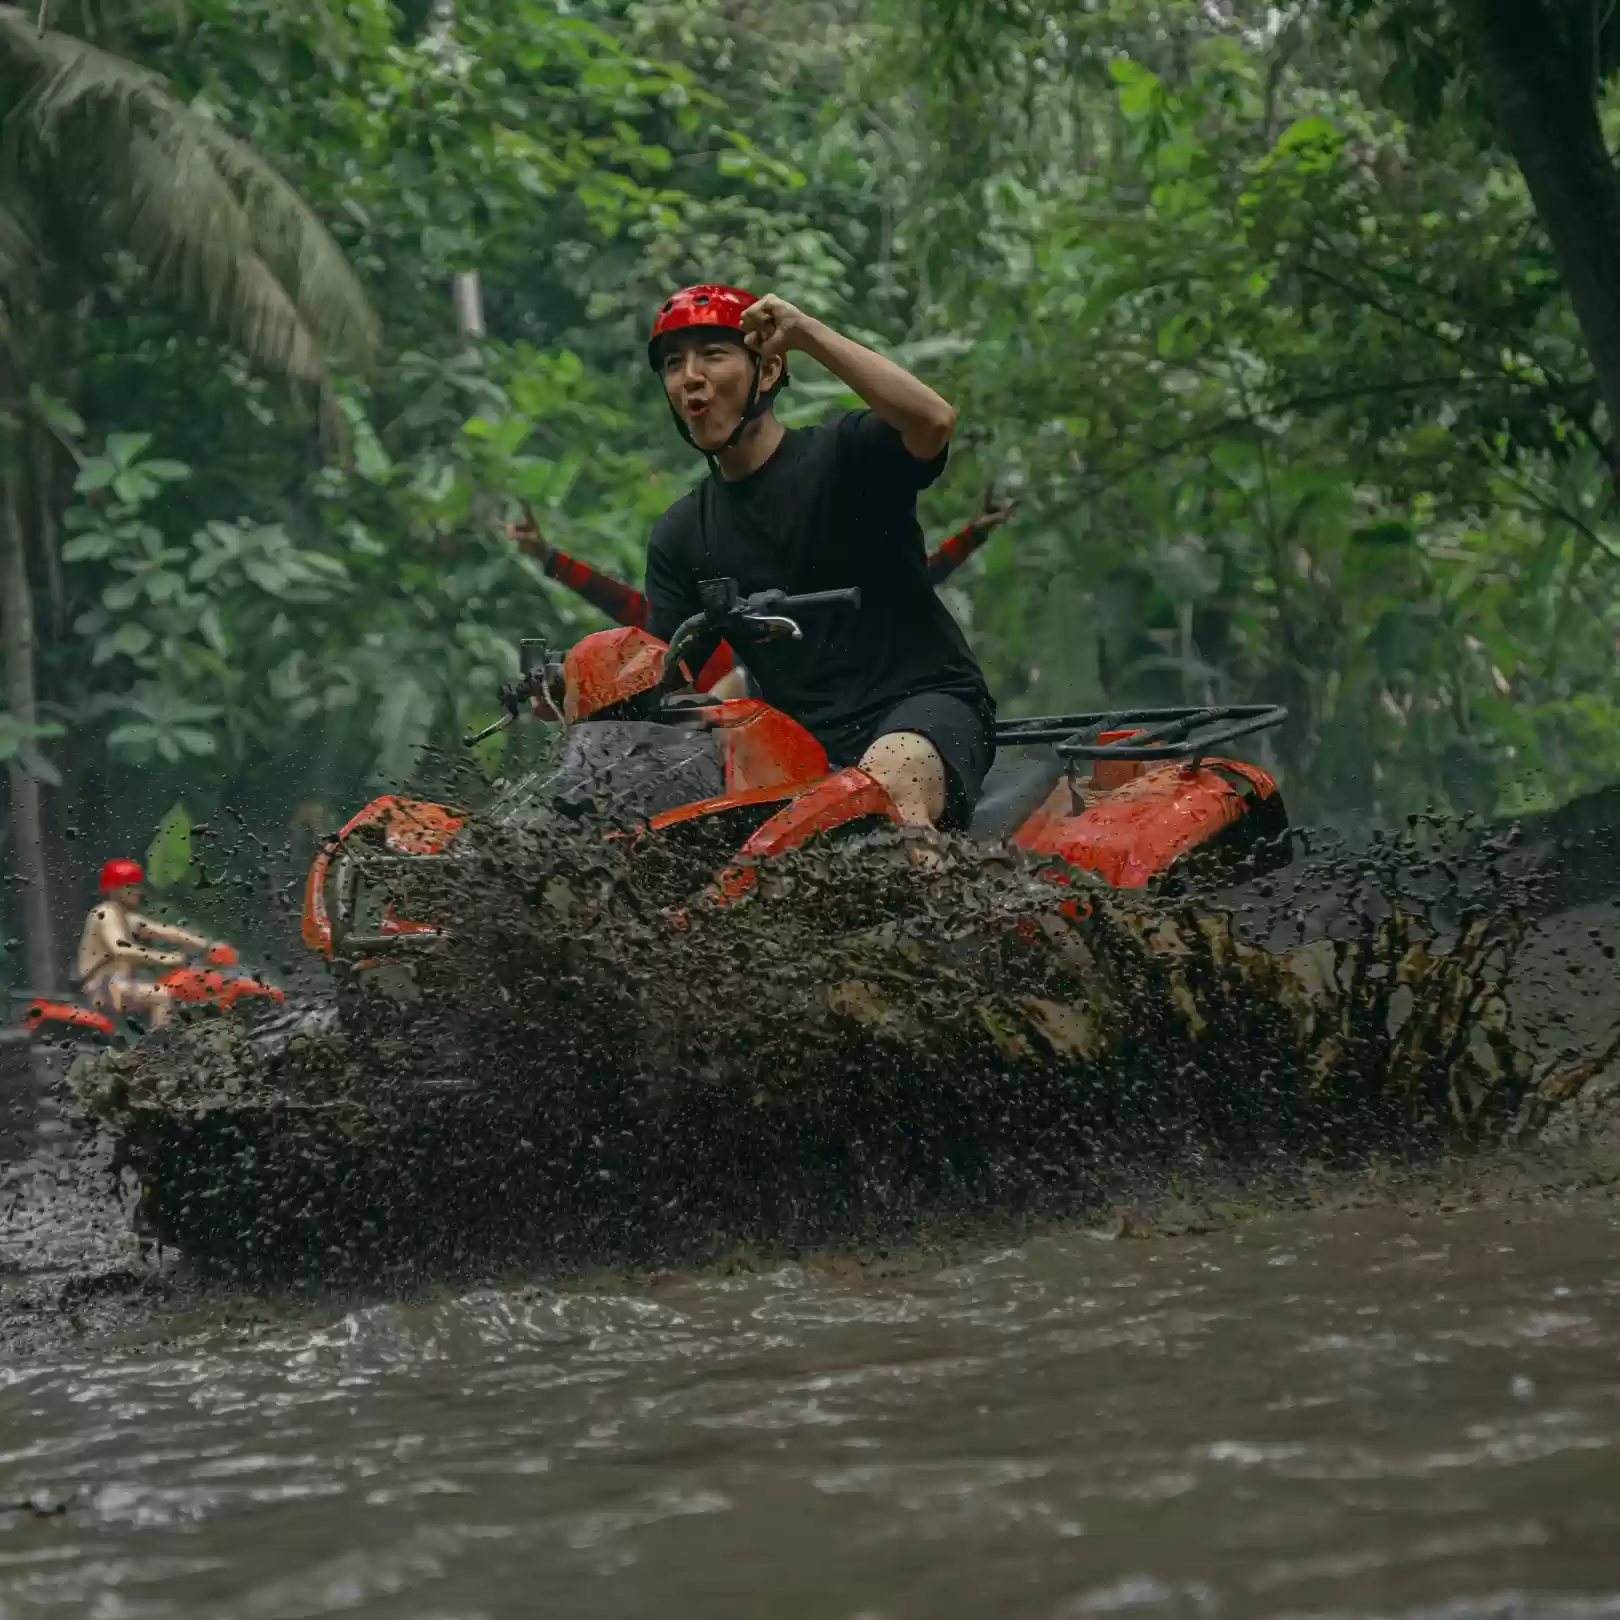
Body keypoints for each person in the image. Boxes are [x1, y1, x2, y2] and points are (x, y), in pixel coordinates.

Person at [640, 284, 996, 828]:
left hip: (925, 709)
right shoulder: (680, 534)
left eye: (713, 354)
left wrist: (807, 333)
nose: (690, 376)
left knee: (880, 795)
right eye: (673, 363)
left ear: (768, 372)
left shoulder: (846, 454)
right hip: (793, 747)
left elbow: (933, 420)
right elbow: (667, 683)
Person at [75, 858, 218, 1029]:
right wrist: (167, 958)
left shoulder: (125, 917)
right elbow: (120, 949)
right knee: (161, 996)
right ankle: (159, 1050)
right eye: (131, 886)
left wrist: (206, 945)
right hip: (101, 987)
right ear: (114, 889)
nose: (138, 892)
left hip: (116, 985)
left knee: (174, 990)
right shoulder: (105, 913)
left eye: (137, 886)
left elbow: (164, 931)